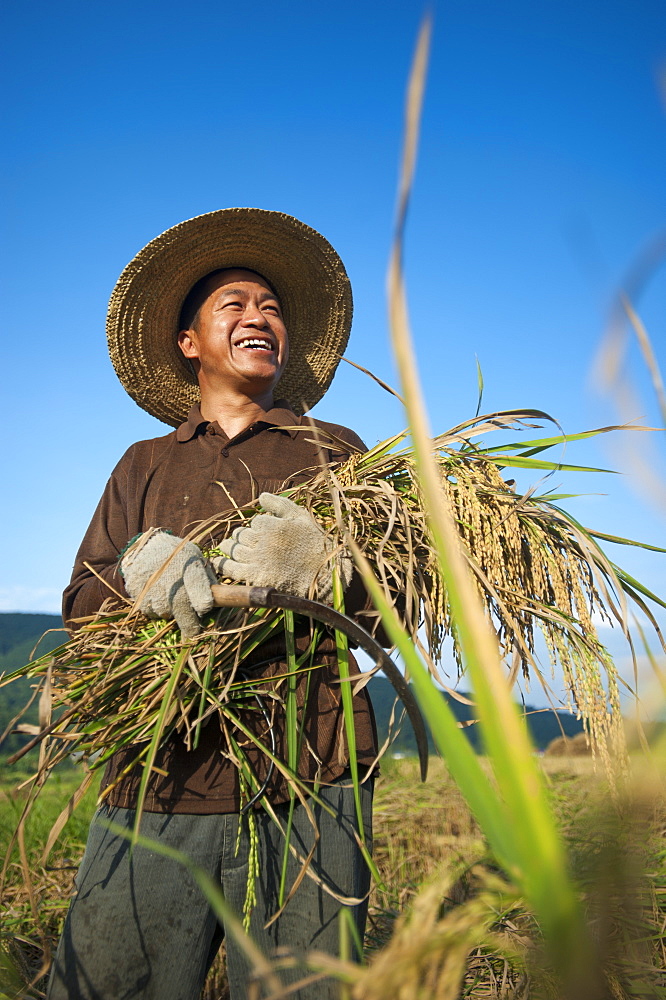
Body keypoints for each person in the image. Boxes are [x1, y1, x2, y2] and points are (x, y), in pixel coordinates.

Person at [47, 208, 383, 1000]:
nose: (259, 316)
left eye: (271, 308)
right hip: (161, 774)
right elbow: (83, 604)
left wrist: (329, 568)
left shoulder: (335, 451)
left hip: (311, 774)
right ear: (189, 343)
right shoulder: (144, 464)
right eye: (234, 304)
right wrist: (142, 568)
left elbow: (392, 612)